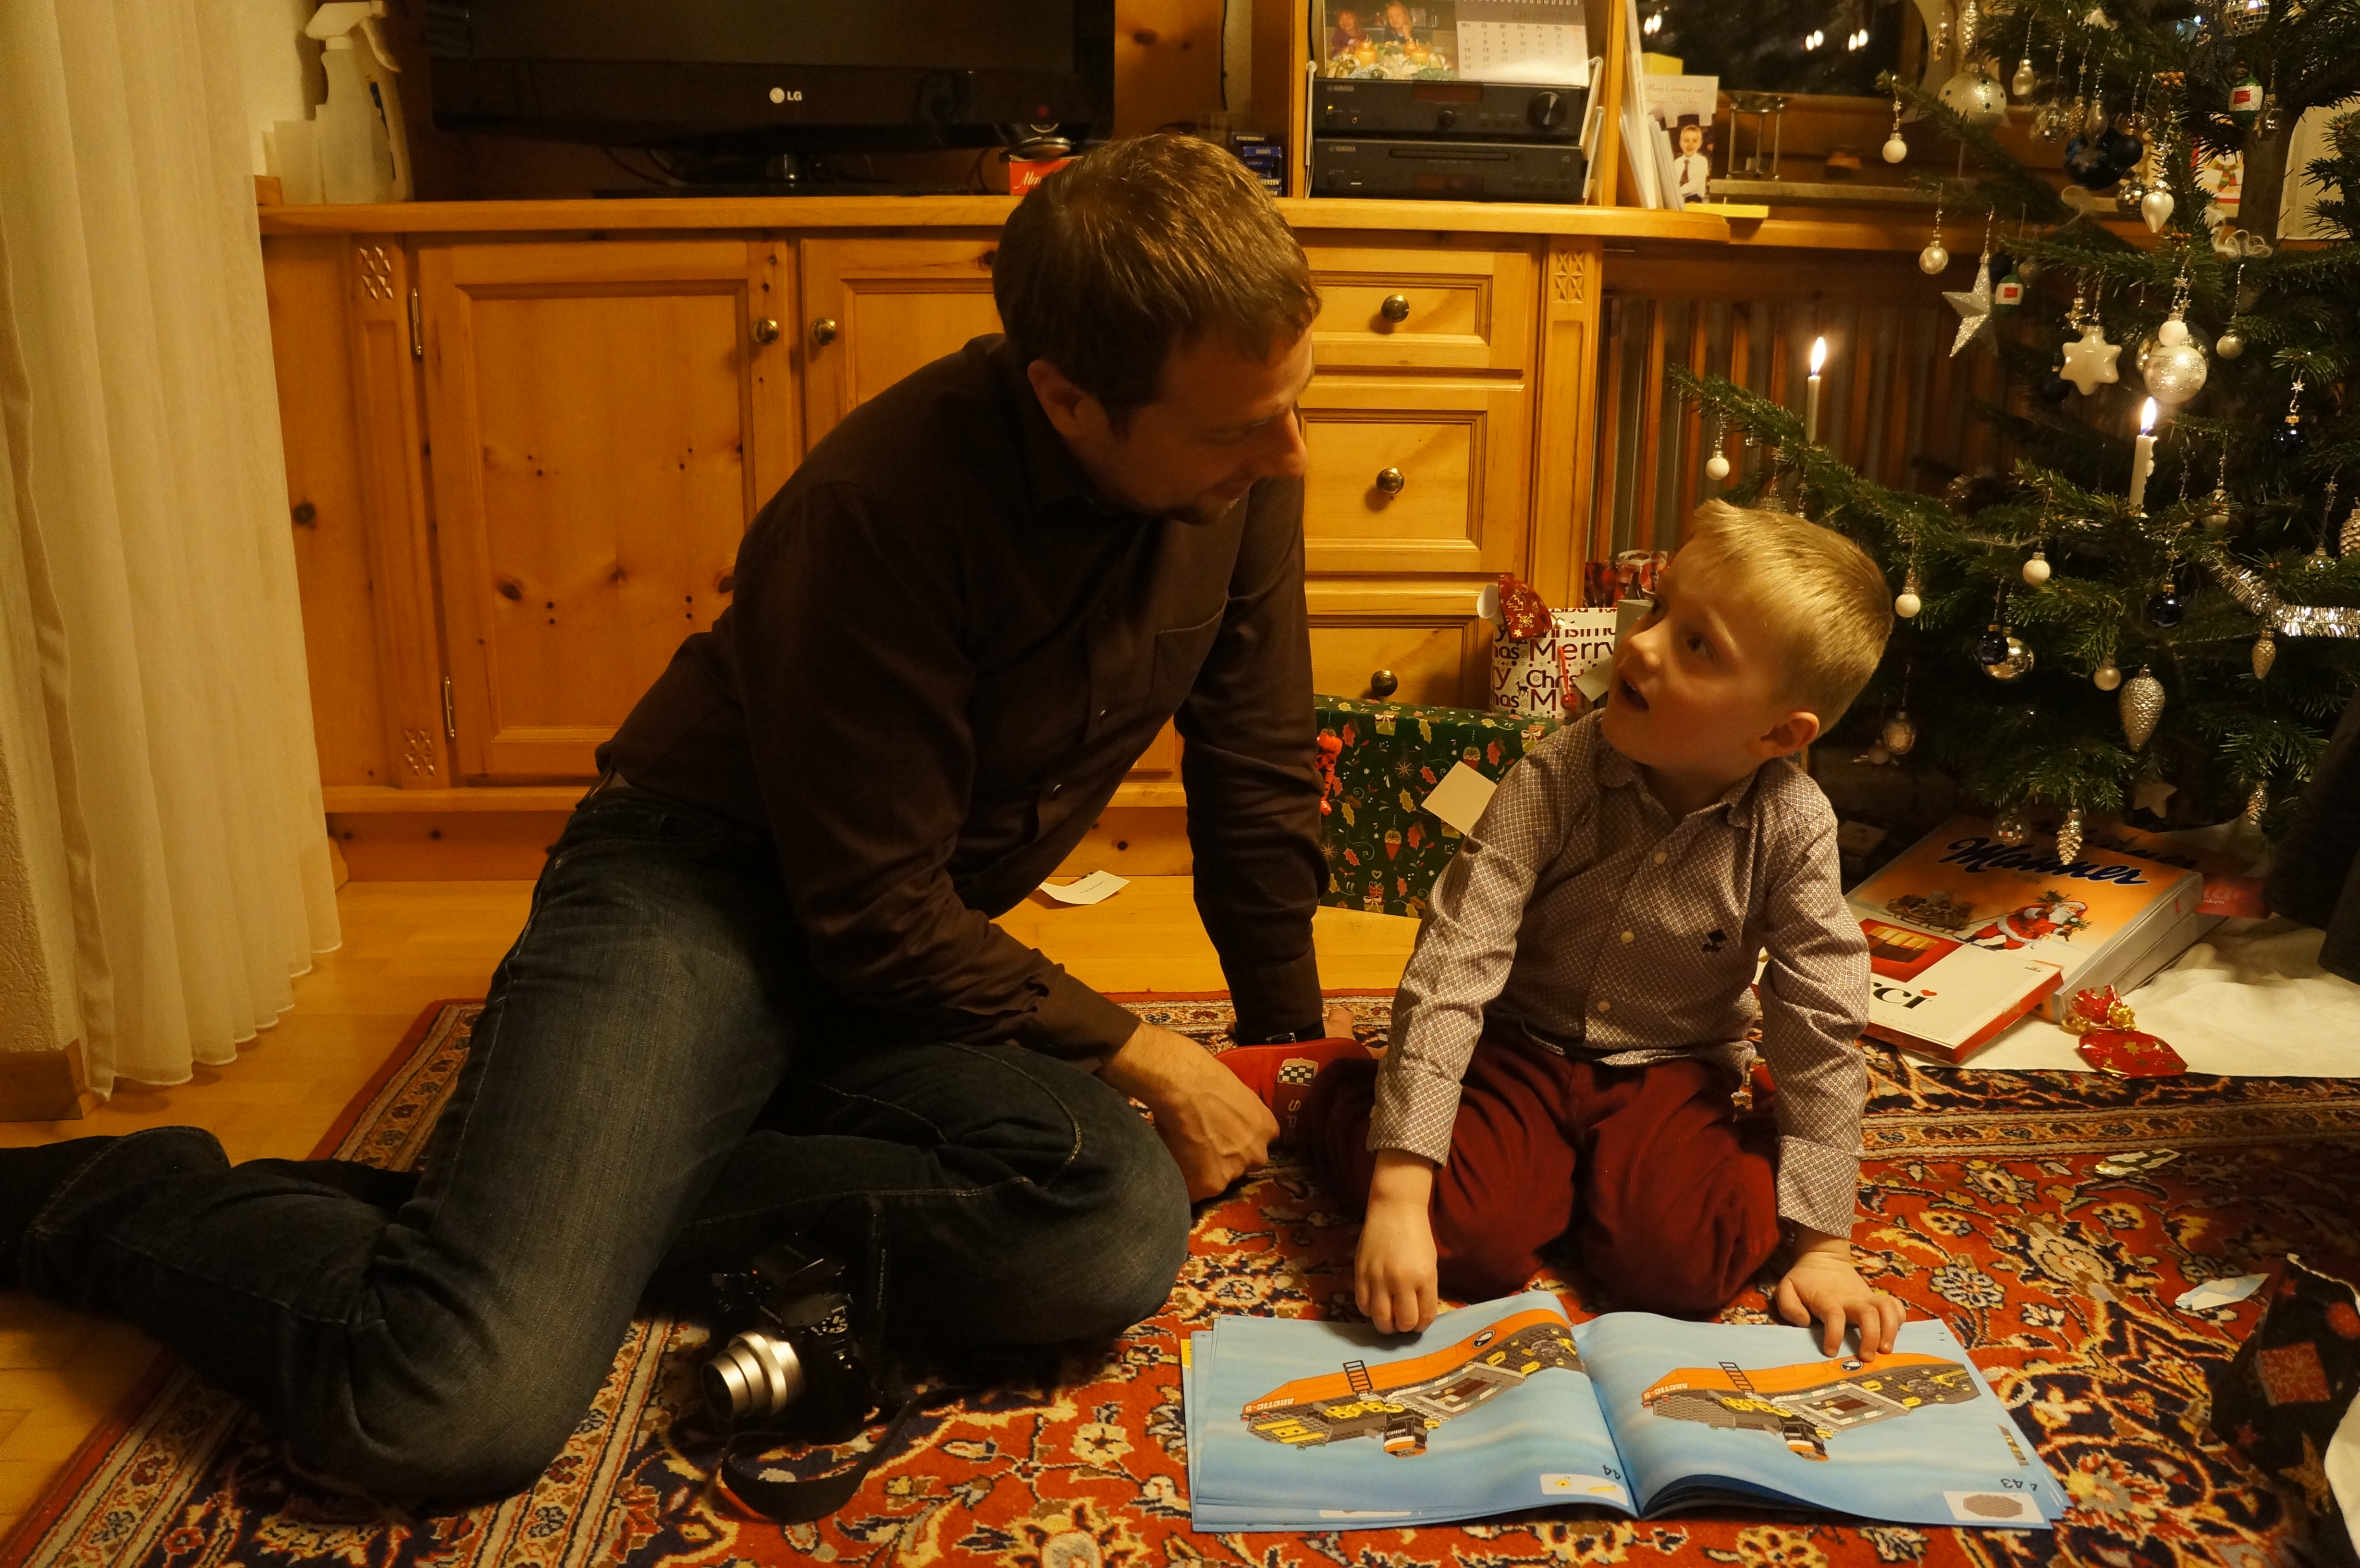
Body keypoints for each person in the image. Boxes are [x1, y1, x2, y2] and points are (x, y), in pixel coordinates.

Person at [0, 135, 1346, 1498]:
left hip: (901, 949)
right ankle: (91, 1203)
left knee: (1106, 1222)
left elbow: (1253, 757)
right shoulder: (882, 506)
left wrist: (1282, 1054)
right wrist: (1144, 1053)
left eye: (1294, 403)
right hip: (697, 895)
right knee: (444, 1407)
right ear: (1066, 397)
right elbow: (869, 909)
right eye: (1239, 427)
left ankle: (556, 1216)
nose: (1288, 455)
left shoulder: (1239, 473)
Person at [1302, 501, 1908, 1356]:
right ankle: (1338, 1087)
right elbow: (1456, 956)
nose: (1642, 645)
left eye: (1697, 646)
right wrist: (1399, 1196)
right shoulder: (1555, 773)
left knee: (1683, 1272)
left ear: (1779, 732)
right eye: (1659, 609)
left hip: (1672, 1062)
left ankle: (1748, 1143)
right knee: (1464, 1241)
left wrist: (1825, 1249)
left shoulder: (1794, 824)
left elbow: (1819, 1011)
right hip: (1520, 1041)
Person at [1672, 118, 1712, 204]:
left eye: (1695, 141)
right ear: (1680, 143)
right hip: (1678, 196)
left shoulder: (1702, 161)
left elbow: (1695, 183)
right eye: (1686, 141)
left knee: (1692, 202)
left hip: (1695, 196)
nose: (1690, 144)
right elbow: (1673, 180)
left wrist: (1678, 192)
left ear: (1700, 143)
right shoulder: (1677, 163)